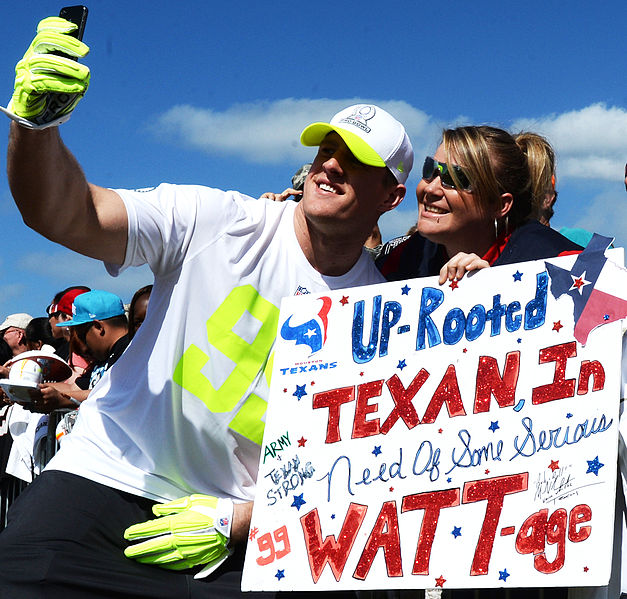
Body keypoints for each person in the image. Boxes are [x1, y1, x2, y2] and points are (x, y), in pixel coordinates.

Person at [0, 15, 412, 598]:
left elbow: (362, 468)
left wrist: (237, 521)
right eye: (326, 147)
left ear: (391, 194)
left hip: (234, 537)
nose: (331, 165)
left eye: (358, 158)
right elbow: (67, 215)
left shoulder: (382, 315)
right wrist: (36, 126)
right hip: (106, 479)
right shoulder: (218, 220)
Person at [377, 125, 582, 284]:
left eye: (456, 178)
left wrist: (495, 291)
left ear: (499, 205)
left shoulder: (560, 261)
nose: (431, 189)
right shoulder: (400, 260)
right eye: (430, 170)